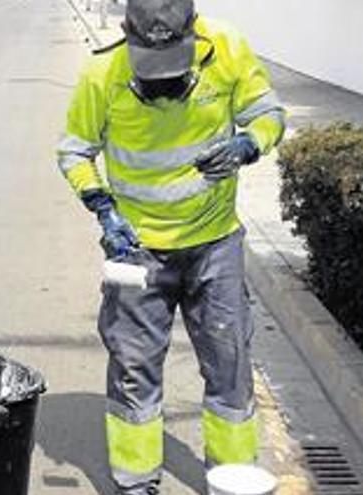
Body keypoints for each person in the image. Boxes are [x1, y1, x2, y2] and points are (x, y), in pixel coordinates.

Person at [55, 0, 286, 493]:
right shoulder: (103, 72)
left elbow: (268, 113)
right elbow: (75, 150)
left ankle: (233, 478)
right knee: (134, 369)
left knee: (230, 366)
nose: (163, 83)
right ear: (128, 34)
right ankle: (136, 483)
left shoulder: (226, 48)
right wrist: (103, 209)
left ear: (194, 34)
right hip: (137, 251)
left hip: (215, 244)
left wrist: (248, 146)